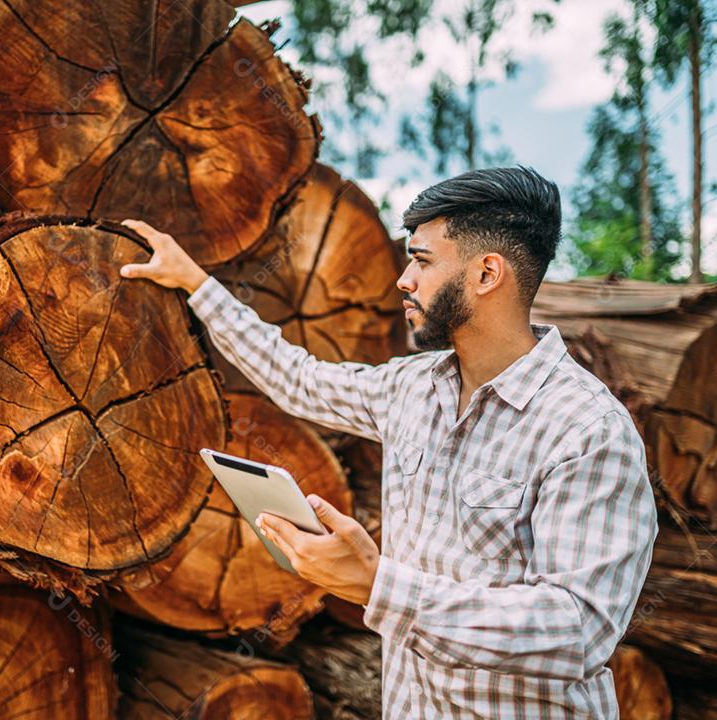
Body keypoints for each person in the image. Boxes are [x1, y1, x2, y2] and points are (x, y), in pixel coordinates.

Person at [118, 166, 658, 719]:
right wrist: (197, 284)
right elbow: (297, 378)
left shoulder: (588, 429)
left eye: (422, 261)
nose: (403, 280)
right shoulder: (410, 387)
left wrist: (378, 585)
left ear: (486, 273)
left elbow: (577, 630)